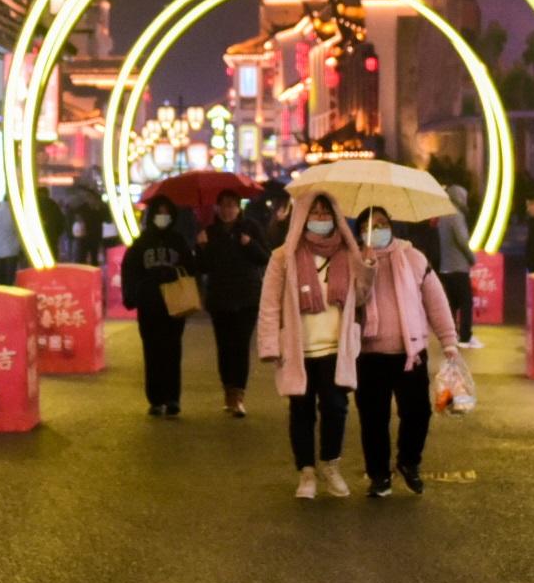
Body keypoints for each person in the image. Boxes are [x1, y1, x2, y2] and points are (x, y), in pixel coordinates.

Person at [350, 203, 465, 499]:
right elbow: (352, 303)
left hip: (410, 353)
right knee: (373, 419)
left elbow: (436, 301)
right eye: (367, 227)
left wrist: (449, 341)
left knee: (418, 413)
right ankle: (379, 476)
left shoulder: (413, 258)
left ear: (391, 225)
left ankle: (408, 462)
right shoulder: (353, 261)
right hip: (369, 354)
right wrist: (366, 271)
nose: (375, 230)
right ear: (359, 233)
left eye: (381, 223)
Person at [257, 191, 359, 501]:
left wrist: (368, 267)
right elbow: (270, 304)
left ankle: (331, 465)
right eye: (313, 212)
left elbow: (364, 298)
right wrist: (270, 344)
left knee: (336, 408)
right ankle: (306, 471)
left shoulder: (350, 253)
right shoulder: (282, 257)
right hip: (298, 348)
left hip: (335, 347)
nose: (320, 218)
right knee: (301, 410)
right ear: (301, 216)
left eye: (326, 212)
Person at [121, 192, 196, 417]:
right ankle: (155, 399)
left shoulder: (178, 241)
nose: (162, 217)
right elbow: (129, 270)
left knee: (173, 351)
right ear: (151, 215)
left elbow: (191, 268)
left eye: (166, 213)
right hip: (150, 305)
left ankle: (172, 398)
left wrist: (173, 272)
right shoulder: (141, 243)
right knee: (152, 352)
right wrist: (133, 296)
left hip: (174, 306)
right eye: (158, 213)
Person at [199, 187, 269, 417]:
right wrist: (201, 247)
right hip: (219, 298)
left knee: (240, 346)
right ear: (217, 208)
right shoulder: (209, 232)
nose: (228, 210)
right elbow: (202, 267)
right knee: (224, 347)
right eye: (224, 205)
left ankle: (239, 395)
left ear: (239, 207)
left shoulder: (250, 228)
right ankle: (228, 391)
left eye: (232, 205)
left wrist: (249, 244)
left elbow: (264, 258)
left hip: (247, 298)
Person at [435, 183, 479, 348]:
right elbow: (462, 240)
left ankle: (452, 335)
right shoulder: (456, 214)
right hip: (458, 265)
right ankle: (466, 337)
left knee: (452, 303)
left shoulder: (444, 214)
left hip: (445, 265)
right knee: (466, 302)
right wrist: (472, 258)